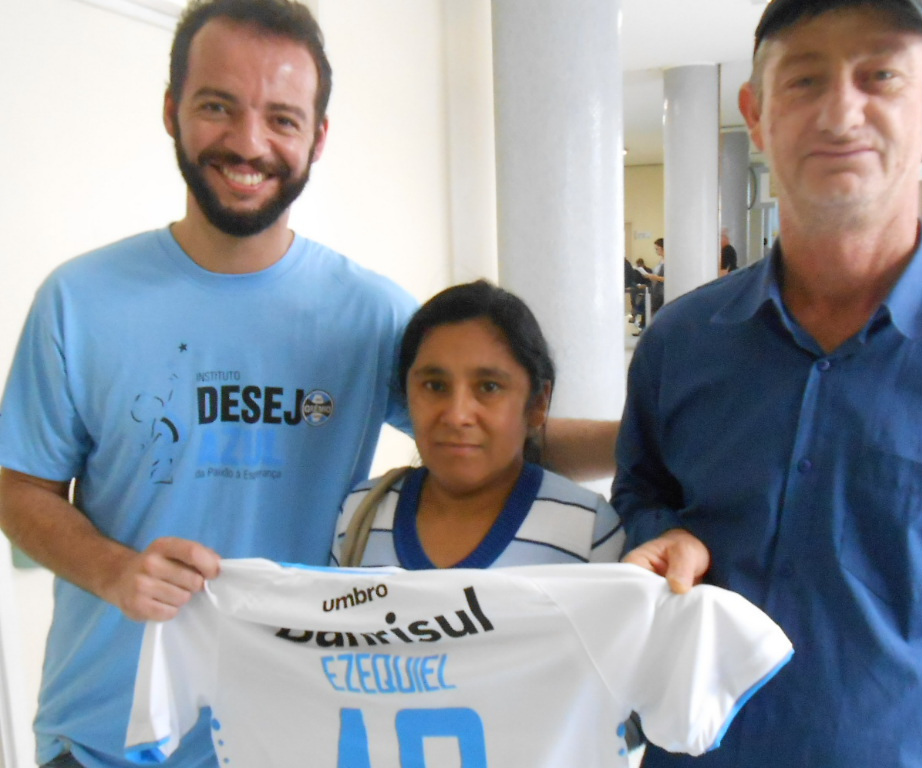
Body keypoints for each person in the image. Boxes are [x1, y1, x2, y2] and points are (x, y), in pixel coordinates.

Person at [0, 3, 614, 767]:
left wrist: (643, 437)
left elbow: (490, 439)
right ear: (171, 110)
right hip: (104, 739)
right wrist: (116, 571)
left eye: (282, 118)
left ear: (318, 136)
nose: (249, 143)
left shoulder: (371, 313)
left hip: (299, 730)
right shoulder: (79, 300)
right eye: (218, 106)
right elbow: (19, 489)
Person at [613, 1, 922, 766]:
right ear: (757, 114)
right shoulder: (681, 342)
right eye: (804, 80)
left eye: (881, 76)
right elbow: (640, 494)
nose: (841, 112)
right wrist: (657, 537)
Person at [331, 280, 625, 569]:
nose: (457, 416)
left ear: (537, 404)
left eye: (489, 387)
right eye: (434, 385)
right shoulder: (362, 514)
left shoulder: (588, 530)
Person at [649, 238, 666, 315]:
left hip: (662, 293)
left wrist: (656, 278)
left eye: (657, 249)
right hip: (656, 291)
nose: (656, 251)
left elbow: (668, 279)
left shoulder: (668, 261)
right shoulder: (661, 260)